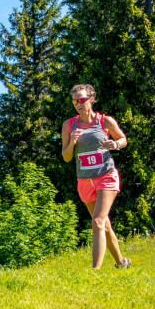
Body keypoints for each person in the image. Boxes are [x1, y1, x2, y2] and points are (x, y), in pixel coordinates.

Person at [61, 84, 132, 269]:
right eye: (75, 101)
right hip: (85, 181)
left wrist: (115, 145)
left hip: (106, 176)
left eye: (82, 99)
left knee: (98, 221)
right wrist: (73, 143)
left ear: (91, 99)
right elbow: (67, 157)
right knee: (104, 225)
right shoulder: (69, 125)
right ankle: (121, 263)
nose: (79, 103)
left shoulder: (104, 121)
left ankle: (95, 271)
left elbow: (123, 139)